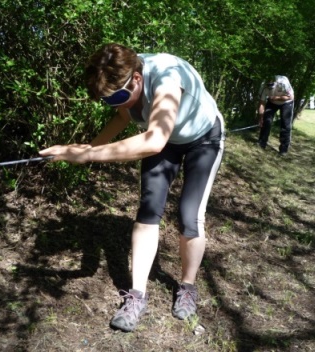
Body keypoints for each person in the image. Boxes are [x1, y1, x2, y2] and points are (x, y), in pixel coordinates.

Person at [39, 43, 225, 332]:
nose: (118, 104)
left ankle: (187, 286)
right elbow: (122, 117)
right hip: (165, 141)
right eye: (108, 100)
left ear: (137, 79)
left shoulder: (166, 76)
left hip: (204, 137)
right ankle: (136, 295)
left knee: (189, 215)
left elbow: (153, 141)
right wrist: (90, 149)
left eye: (121, 96)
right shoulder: (123, 90)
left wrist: (88, 155)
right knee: (148, 210)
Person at [257, 75, 294, 155]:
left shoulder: (283, 82)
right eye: (268, 86)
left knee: (285, 124)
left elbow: (290, 97)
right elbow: (262, 103)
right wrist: (261, 117)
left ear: (276, 82)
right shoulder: (263, 86)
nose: (270, 88)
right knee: (266, 121)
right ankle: (261, 143)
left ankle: (283, 149)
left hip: (286, 103)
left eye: (271, 85)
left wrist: (276, 98)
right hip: (272, 102)